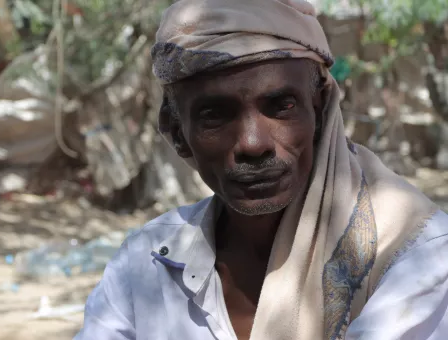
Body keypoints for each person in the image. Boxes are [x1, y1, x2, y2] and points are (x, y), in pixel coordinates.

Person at [74, 0, 448, 339]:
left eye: (281, 105)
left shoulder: (414, 252)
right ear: (177, 133)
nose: (253, 143)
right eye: (215, 115)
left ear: (319, 110)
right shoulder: (146, 264)